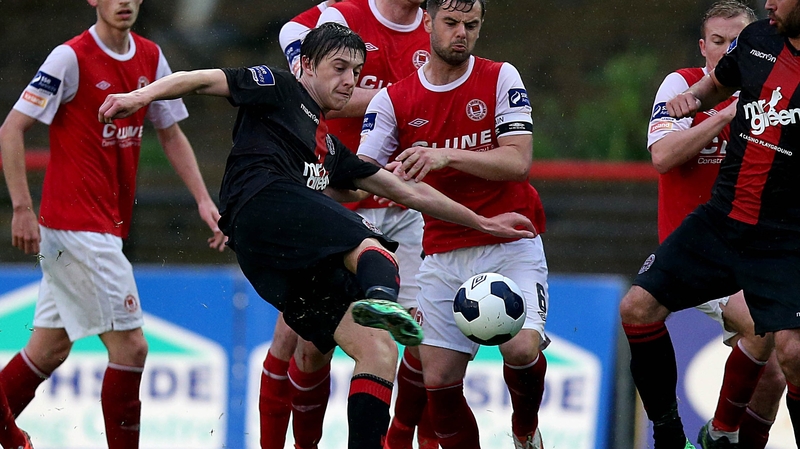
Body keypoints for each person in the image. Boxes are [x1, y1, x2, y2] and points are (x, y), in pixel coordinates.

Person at [98, 22, 536, 449]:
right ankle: (381, 297)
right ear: (307, 65)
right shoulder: (280, 86)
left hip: (270, 255)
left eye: (357, 72)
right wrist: (140, 95)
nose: (350, 81)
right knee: (370, 242)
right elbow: (201, 79)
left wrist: (481, 223)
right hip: (261, 202)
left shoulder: (330, 148)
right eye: (339, 67)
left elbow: (405, 190)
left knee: (379, 351)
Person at [0, 0, 226, 448]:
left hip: (100, 226)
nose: (123, 2)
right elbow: (11, 128)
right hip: (76, 226)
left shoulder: (150, 56)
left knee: (48, 347)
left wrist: (203, 198)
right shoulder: (70, 58)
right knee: (132, 348)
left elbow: (171, 132)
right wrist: (22, 207)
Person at [358, 0, 548, 448]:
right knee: (438, 378)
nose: (461, 33)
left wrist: (445, 155)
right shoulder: (393, 100)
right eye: (451, 23)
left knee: (520, 349)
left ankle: (525, 431)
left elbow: (519, 161)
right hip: (442, 251)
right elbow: (362, 167)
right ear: (427, 23)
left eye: (471, 24)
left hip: (510, 238)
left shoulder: (501, 76)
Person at [621, 0, 800, 447]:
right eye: (716, 42)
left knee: (781, 361)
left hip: (779, 239)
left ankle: (723, 435)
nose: (769, 3)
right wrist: (701, 102)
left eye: (731, 41)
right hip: (715, 229)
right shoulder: (753, 47)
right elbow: (666, 149)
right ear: (702, 45)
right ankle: (671, 436)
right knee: (637, 309)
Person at [263, 1, 435, 449]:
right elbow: (306, 82)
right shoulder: (338, 17)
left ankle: (398, 439)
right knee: (304, 344)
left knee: (419, 345)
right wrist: (396, 96)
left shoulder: (439, 25)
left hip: (400, 203)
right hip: (332, 195)